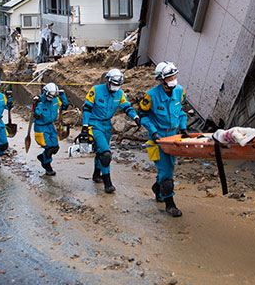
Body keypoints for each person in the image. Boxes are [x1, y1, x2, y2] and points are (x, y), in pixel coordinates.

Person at [139, 61, 188, 217]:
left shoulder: (180, 91)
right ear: (161, 80)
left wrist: (184, 127)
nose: (173, 79)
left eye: (174, 76)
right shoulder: (151, 96)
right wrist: (153, 131)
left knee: (170, 167)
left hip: (174, 136)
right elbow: (143, 116)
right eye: (169, 77)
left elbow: (181, 112)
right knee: (166, 171)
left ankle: (157, 188)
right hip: (158, 138)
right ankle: (170, 204)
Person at [81, 68, 140, 193]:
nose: (115, 87)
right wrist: (85, 126)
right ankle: (107, 183)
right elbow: (87, 108)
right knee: (106, 154)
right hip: (94, 124)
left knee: (100, 152)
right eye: (114, 84)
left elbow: (127, 107)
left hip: (107, 125)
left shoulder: (120, 94)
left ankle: (96, 174)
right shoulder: (96, 91)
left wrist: (135, 117)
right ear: (108, 81)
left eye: (118, 85)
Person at [33, 82, 69, 176]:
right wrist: (39, 103)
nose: (51, 98)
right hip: (41, 126)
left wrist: (62, 96)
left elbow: (65, 106)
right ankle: (47, 165)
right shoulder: (40, 101)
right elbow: (37, 115)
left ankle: (42, 157)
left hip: (50, 126)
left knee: (55, 147)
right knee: (49, 148)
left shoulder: (55, 100)